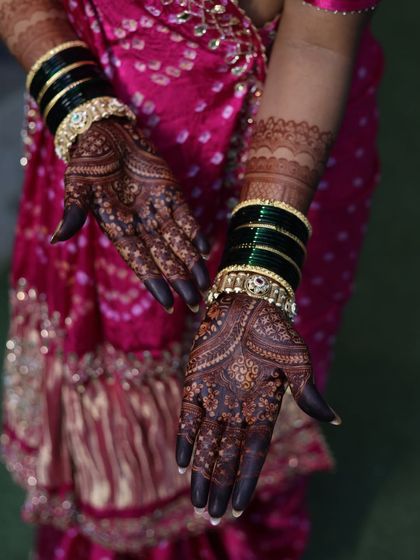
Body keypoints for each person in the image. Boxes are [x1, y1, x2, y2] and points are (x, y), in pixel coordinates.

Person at [0, 0, 383, 558]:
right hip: (116, 165)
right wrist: (76, 101)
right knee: (123, 376)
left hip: (291, 165)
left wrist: (261, 266)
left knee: (251, 384)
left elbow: (317, 43)